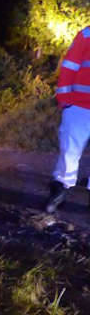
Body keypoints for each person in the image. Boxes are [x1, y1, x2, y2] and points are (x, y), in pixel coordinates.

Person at [46, 26, 90, 213]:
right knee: (69, 150)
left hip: (78, 105)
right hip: (79, 105)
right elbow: (70, 65)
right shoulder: (87, 34)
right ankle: (61, 189)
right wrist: (64, 98)